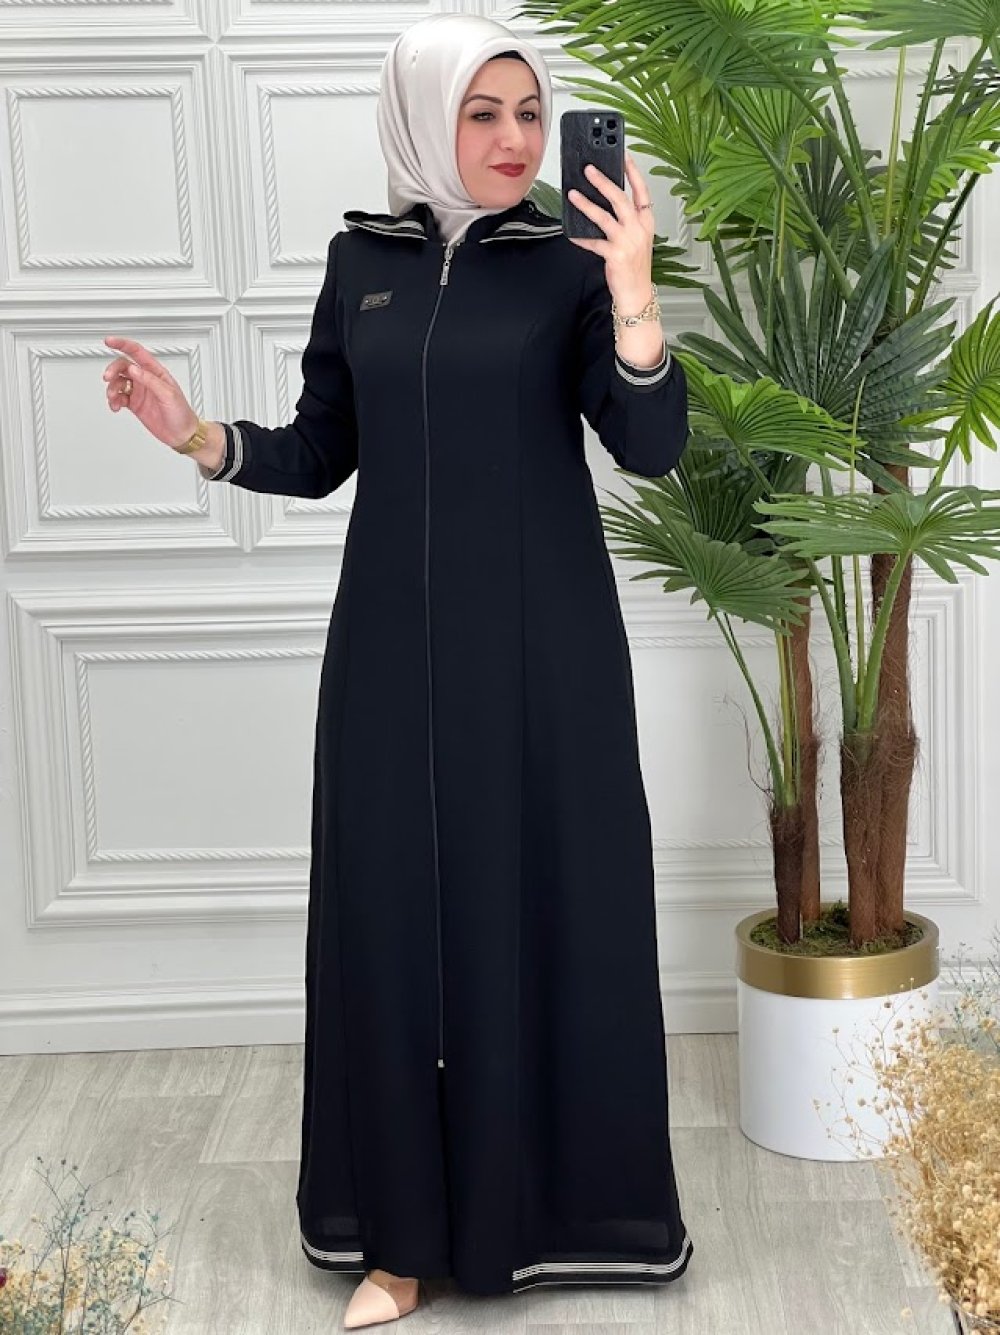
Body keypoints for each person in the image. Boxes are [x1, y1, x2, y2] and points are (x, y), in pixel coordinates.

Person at [101, 12, 693, 1329]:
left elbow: (650, 448)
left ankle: (538, 1219)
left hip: (542, 656)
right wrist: (196, 433)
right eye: (483, 113)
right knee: (391, 923)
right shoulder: (359, 260)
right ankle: (402, 1242)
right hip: (387, 654)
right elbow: (322, 449)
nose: (513, 140)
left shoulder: (569, 265)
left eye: (529, 114)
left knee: (541, 907)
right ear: (424, 117)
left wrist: (634, 291)